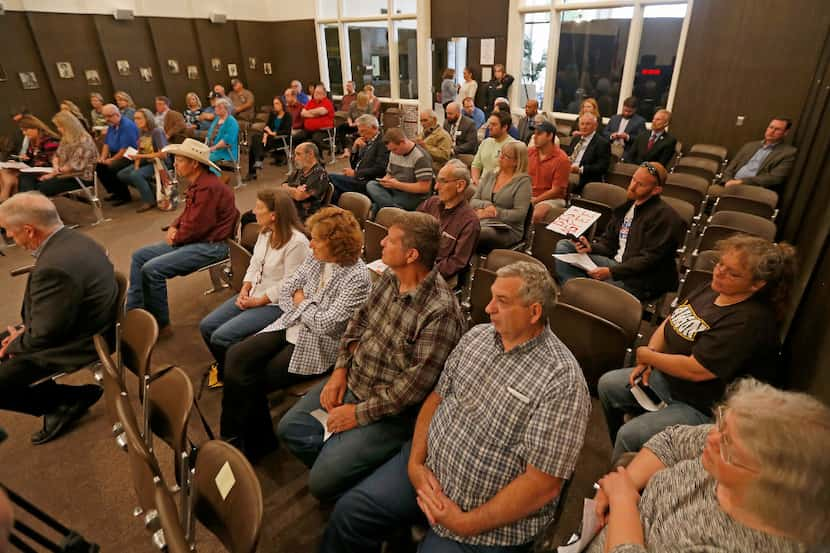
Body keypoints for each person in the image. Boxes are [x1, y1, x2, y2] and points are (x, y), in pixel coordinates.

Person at [322, 261, 591, 553]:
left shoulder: (562, 382)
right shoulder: (476, 337)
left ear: (534, 312)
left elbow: (543, 484)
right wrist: (415, 464)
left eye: (501, 301)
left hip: (484, 518)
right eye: (491, 297)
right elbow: (436, 399)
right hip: (427, 469)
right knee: (349, 514)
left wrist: (465, 523)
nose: (488, 309)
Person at [277, 210, 465, 501]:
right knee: (291, 429)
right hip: (354, 380)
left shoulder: (440, 313)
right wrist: (340, 371)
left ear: (411, 254)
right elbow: (357, 323)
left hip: (387, 411)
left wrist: (356, 415)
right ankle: (342, 460)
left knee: (321, 483)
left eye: (390, 241)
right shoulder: (391, 277)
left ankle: (349, 475)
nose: (381, 244)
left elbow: (409, 391)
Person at [598, 234, 796, 461]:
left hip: (703, 406)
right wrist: (650, 354)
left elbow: (696, 370)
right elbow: (671, 322)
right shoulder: (714, 289)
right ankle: (628, 460)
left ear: (757, 284)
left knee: (629, 436)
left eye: (732, 273)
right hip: (671, 381)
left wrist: (649, 358)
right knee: (608, 385)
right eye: (720, 263)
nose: (719, 272)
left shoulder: (749, 321)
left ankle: (626, 475)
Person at [588, 378, 830, 553]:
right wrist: (626, 483)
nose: (711, 437)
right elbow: (672, 440)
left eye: (726, 441)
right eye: (721, 421)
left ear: (767, 484)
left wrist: (622, 500)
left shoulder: (735, 545)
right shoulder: (729, 450)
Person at [222, 207, 371, 461]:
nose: (309, 244)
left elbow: (327, 326)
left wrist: (302, 302)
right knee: (235, 355)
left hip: (321, 346)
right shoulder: (316, 258)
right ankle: (232, 436)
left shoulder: (358, 278)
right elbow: (290, 287)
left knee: (254, 377)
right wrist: (304, 305)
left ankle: (253, 444)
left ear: (336, 244)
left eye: (316, 240)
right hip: (292, 324)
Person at [0, 192, 117, 445]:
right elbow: (51, 318)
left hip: (79, 341)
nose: (9, 236)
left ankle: (64, 402)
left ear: (29, 230)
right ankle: (60, 399)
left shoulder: (54, 267)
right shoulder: (74, 239)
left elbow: (45, 334)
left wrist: (17, 343)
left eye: (9, 230)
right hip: (78, 323)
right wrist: (24, 332)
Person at [200, 189, 310, 390]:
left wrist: (258, 301)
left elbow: (290, 284)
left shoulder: (297, 243)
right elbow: (255, 263)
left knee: (221, 337)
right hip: (254, 294)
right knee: (207, 326)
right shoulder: (266, 233)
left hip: (277, 304)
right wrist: (245, 286)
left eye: (259, 208)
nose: (253, 211)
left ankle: (237, 376)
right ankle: (229, 367)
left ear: (274, 215)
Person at [127, 139, 239, 332]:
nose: (175, 164)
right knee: (139, 256)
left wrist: (176, 237)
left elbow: (198, 227)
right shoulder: (201, 183)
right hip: (201, 239)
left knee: (152, 269)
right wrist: (174, 225)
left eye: (179, 160)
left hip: (213, 245)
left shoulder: (208, 188)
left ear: (194, 163)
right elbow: (190, 215)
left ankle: (160, 325)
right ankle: (135, 311)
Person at [554, 162, 681, 297]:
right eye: (633, 180)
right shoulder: (626, 207)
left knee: (598, 290)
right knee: (564, 246)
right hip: (615, 265)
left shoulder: (666, 218)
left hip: (639, 279)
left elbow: (649, 261)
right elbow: (609, 243)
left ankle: (582, 295)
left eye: (640, 185)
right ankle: (576, 294)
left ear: (656, 190)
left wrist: (611, 272)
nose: (632, 187)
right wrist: (591, 247)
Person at [417, 159, 480, 283]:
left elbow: (456, 263)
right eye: (437, 180)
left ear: (460, 185)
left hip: (437, 278)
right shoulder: (431, 203)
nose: (436, 187)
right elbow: (412, 229)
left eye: (442, 181)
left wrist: (423, 273)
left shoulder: (470, 223)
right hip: (415, 262)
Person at [471, 141, 532, 252]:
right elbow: (473, 201)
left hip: (507, 229)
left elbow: (519, 214)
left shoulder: (523, 183)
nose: (500, 157)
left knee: (476, 231)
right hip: (483, 220)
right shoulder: (490, 175)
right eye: (500, 153)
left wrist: (494, 212)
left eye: (505, 156)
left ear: (516, 161)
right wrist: (487, 205)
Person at [25, 111, 98, 197]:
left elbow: (73, 166)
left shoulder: (84, 140)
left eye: (60, 126)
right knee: (30, 179)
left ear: (68, 126)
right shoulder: (66, 138)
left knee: (43, 187)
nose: (58, 129)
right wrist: (56, 167)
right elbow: (57, 155)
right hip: (64, 174)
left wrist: (53, 174)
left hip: (79, 177)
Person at [366, 127, 433, 212]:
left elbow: (424, 188)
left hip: (413, 195)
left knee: (377, 205)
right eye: (391, 150)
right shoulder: (393, 153)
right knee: (371, 185)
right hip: (395, 189)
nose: (393, 152)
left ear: (403, 142)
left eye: (395, 149)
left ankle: (387, 208)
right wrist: (386, 180)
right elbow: (390, 173)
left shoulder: (420, 157)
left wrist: (397, 185)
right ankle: (393, 208)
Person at [720, 117, 797, 190]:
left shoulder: (788, 153)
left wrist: (741, 182)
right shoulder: (749, 146)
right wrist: (727, 181)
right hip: (731, 183)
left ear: (785, 133)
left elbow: (775, 178)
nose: (772, 131)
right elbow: (730, 168)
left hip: (755, 189)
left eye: (777, 129)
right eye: (771, 127)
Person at [116, 108, 168, 213]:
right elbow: (139, 151)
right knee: (122, 174)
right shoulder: (142, 133)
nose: (136, 121)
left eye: (139, 118)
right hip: (147, 160)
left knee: (136, 175)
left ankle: (149, 201)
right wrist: (136, 165)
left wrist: (140, 158)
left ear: (148, 119)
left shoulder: (157, 131)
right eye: (135, 118)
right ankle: (151, 190)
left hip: (159, 162)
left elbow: (163, 154)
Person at [329, 114, 389, 204]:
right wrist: (354, 149)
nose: (361, 134)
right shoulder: (367, 140)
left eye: (363, 131)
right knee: (334, 190)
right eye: (359, 131)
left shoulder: (382, 143)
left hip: (368, 182)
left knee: (329, 177)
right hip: (358, 178)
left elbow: (380, 169)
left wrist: (355, 173)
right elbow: (354, 165)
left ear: (374, 128)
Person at [0, 115, 60, 202]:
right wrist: (24, 159)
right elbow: (32, 157)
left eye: (26, 130)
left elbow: (50, 161)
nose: (24, 133)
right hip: (33, 168)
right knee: (4, 171)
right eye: (23, 131)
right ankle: (10, 200)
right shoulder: (33, 141)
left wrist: (31, 161)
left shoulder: (50, 140)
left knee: (13, 176)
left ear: (35, 128)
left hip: (47, 170)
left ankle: (8, 200)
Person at [96, 103, 139, 206]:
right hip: (118, 153)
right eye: (105, 116)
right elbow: (106, 144)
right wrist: (102, 158)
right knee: (99, 166)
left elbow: (125, 149)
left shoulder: (127, 125)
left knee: (112, 167)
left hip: (130, 154)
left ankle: (125, 196)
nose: (106, 119)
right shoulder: (112, 125)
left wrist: (112, 160)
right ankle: (115, 192)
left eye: (109, 116)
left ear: (117, 114)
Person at [529, 121, 571, 223]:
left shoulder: (562, 159)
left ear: (550, 136)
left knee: (537, 214)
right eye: (534, 133)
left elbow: (556, 190)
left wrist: (535, 200)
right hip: (530, 194)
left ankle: (531, 238)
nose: (535, 137)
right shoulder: (530, 152)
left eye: (539, 134)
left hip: (552, 198)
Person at [245, 96, 293, 180]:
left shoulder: (287, 116)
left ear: (282, 104)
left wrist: (272, 133)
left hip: (280, 140)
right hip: (269, 138)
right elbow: (267, 127)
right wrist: (266, 135)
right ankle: (258, 160)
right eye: (274, 104)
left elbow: (286, 131)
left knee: (254, 146)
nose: (275, 105)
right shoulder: (273, 114)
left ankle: (253, 169)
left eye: (277, 103)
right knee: (255, 138)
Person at [282, 142, 330, 220]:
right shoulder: (300, 170)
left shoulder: (319, 173)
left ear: (310, 154)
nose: (295, 158)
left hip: (306, 216)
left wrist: (290, 189)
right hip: (291, 208)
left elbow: (299, 196)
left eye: (298, 154)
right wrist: (295, 190)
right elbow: (283, 186)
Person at [567, 112, 611, 195]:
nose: (584, 127)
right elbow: (569, 156)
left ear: (595, 126)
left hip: (585, 177)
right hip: (568, 173)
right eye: (582, 124)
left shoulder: (602, 143)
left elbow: (602, 167)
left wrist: (580, 170)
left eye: (588, 124)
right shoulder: (575, 139)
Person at [471, 111, 518, 187]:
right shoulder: (485, 142)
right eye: (489, 124)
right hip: (481, 183)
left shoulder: (513, 145)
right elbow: (476, 165)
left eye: (494, 125)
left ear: (504, 127)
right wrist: (475, 180)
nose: (489, 127)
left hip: (500, 186)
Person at [297, 84, 335, 160]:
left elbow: (322, 111)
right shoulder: (311, 102)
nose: (316, 94)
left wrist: (309, 113)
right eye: (315, 93)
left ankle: (319, 158)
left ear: (324, 94)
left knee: (315, 139)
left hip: (324, 130)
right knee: (297, 138)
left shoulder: (327, 102)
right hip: (309, 130)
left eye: (319, 93)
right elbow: (303, 113)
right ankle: (303, 158)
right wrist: (315, 114)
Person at [337, 91, 373, 158]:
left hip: (363, 124)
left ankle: (360, 152)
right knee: (341, 128)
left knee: (360, 132)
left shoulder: (369, 106)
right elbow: (349, 116)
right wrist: (350, 123)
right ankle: (346, 151)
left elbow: (369, 118)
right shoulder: (353, 104)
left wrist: (358, 123)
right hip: (353, 124)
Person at [416, 109, 453, 174]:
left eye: (425, 120)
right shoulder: (423, 133)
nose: (423, 123)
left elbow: (445, 156)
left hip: (435, 168)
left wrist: (425, 147)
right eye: (421, 121)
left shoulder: (443, 135)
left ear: (434, 120)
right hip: (421, 165)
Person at [205, 97, 239, 166]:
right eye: (216, 107)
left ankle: (213, 175)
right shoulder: (217, 119)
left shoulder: (232, 122)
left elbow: (226, 141)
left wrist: (212, 149)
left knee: (202, 159)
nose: (216, 109)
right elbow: (209, 135)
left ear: (226, 109)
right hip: (211, 149)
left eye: (219, 107)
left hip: (225, 152)